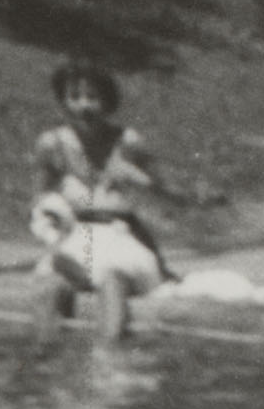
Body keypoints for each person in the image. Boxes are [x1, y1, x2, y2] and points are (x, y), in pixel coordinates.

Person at [30, 58, 172, 326]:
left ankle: (111, 361)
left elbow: (166, 190)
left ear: (107, 101)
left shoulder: (128, 141)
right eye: (74, 97)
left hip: (120, 240)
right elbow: (38, 202)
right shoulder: (51, 144)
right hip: (73, 239)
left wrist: (139, 177)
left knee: (111, 281)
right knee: (50, 288)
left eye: (92, 97)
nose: (83, 106)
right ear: (63, 100)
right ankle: (45, 360)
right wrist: (52, 235)